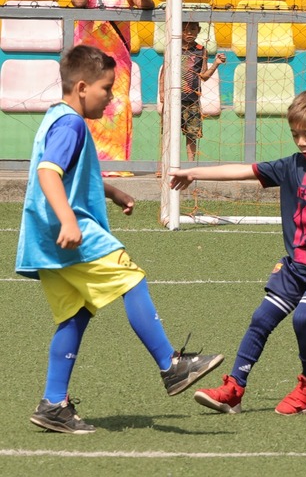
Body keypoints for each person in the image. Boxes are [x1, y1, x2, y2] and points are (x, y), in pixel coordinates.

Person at [16, 45, 224, 435]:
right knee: (132, 279)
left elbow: (73, 172)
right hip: (70, 231)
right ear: (81, 87)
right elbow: (49, 173)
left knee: (74, 315)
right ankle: (171, 365)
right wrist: (68, 220)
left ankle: (53, 404)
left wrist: (112, 192)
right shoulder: (71, 124)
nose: (111, 97)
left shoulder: (55, 119)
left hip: (43, 239)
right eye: (106, 89)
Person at [170, 90, 306, 416]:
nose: (302, 142)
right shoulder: (290, 166)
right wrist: (193, 173)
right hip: (297, 263)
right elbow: (245, 170)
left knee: (304, 317)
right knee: (262, 317)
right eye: (296, 135)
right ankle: (234, 389)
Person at [71, 0, 154, 177]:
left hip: (117, 62)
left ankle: (116, 165)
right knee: (85, 107)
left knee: (117, 106)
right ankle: (86, 164)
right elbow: (78, 2)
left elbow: (146, 6)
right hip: (87, 61)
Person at [158, 21, 226, 162]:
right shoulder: (172, 48)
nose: (189, 33)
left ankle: (190, 163)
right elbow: (164, 72)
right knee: (168, 132)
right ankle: (165, 164)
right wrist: (162, 92)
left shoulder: (201, 50)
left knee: (192, 133)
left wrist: (216, 64)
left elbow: (204, 76)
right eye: (184, 29)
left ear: (198, 30)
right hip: (173, 99)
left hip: (192, 99)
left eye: (193, 29)